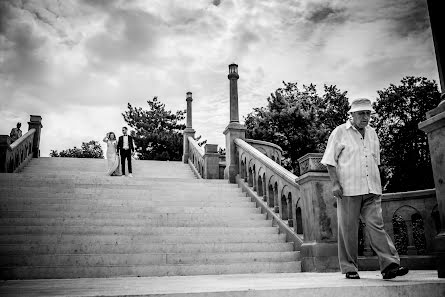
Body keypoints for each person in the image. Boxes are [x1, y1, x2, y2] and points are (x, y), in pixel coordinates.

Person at [321, 98, 409, 280]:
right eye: (361, 113)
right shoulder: (339, 132)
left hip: (371, 189)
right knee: (348, 230)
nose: (366, 117)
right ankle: (349, 268)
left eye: (368, 113)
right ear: (351, 114)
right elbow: (330, 161)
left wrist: (379, 183)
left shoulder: (373, 133)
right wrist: (335, 184)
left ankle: (390, 265)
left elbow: (375, 161)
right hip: (348, 190)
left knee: (377, 226)